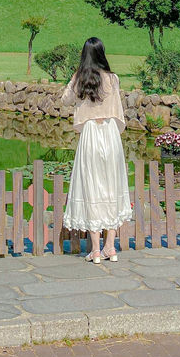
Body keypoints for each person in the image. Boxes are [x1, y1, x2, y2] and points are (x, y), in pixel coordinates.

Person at [61, 37, 132, 262]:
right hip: (110, 133)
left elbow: (65, 100)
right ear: (102, 53)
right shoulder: (112, 78)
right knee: (112, 186)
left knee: (91, 186)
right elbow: (118, 109)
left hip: (90, 134)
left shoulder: (80, 78)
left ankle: (95, 249)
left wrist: (75, 78)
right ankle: (110, 247)